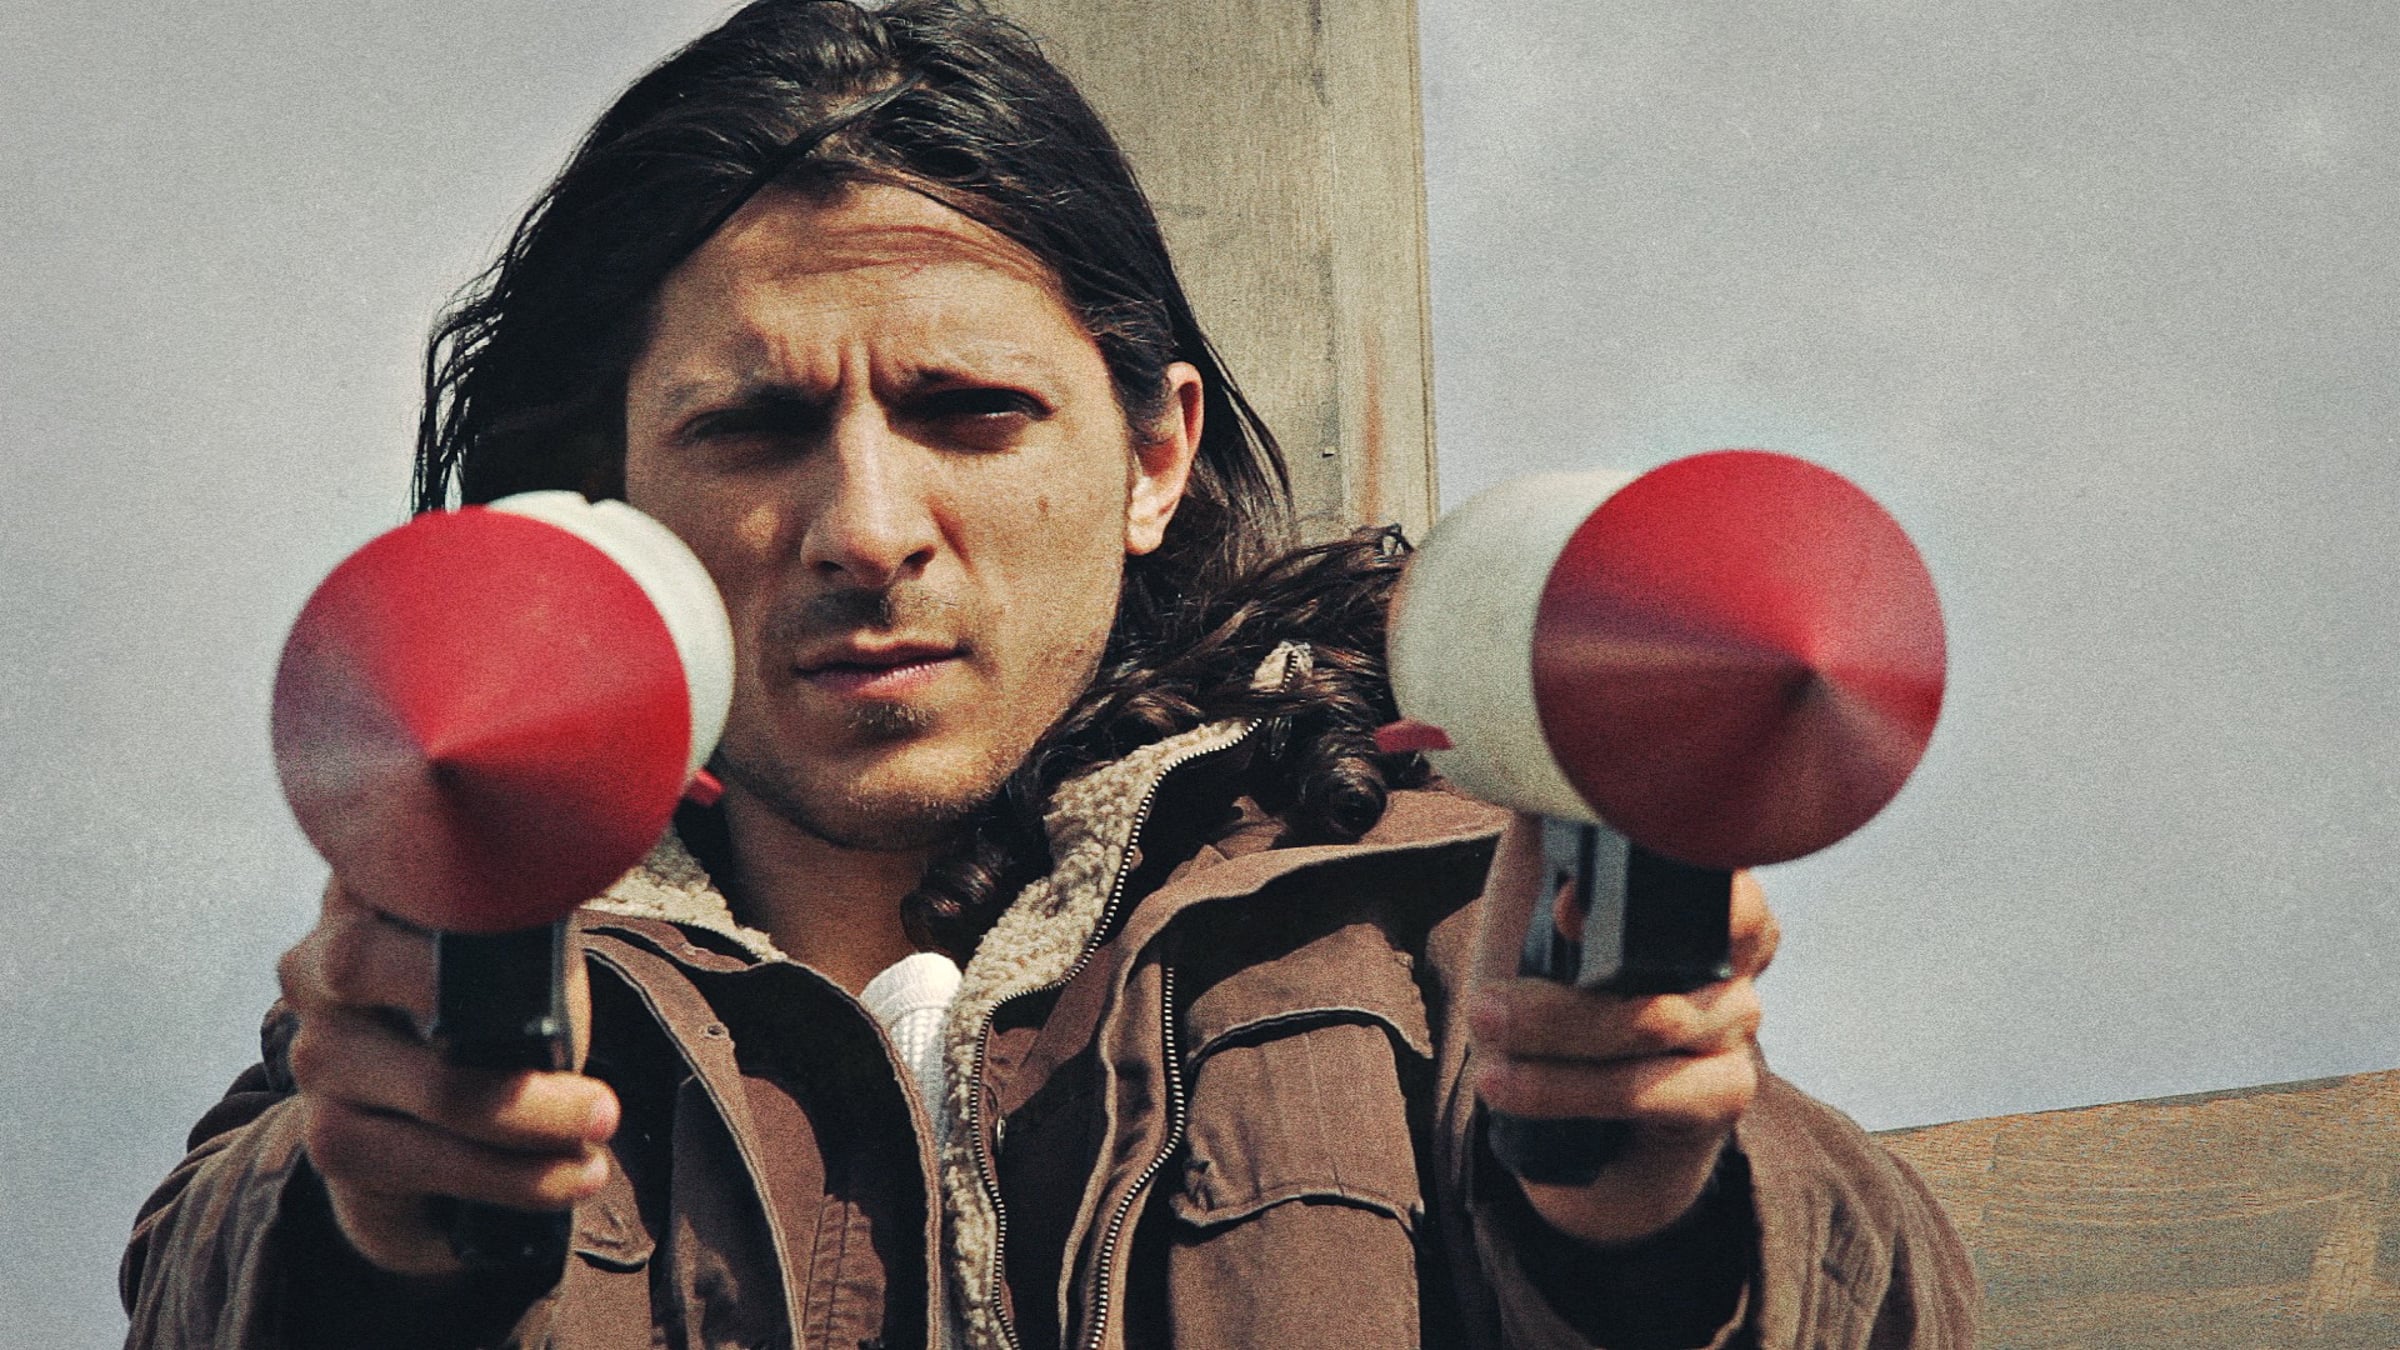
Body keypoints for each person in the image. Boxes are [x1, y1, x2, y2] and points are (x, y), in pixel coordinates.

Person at [120, 2, 1977, 1346]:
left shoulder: (1419, 910)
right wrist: (378, 1239)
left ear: (1155, 455)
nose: (866, 526)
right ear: (615, 499)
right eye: (754, 426)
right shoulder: (436, 998)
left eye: (968, 409)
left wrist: (1649, 1219)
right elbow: (199, 1283)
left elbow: (1886, 1299)